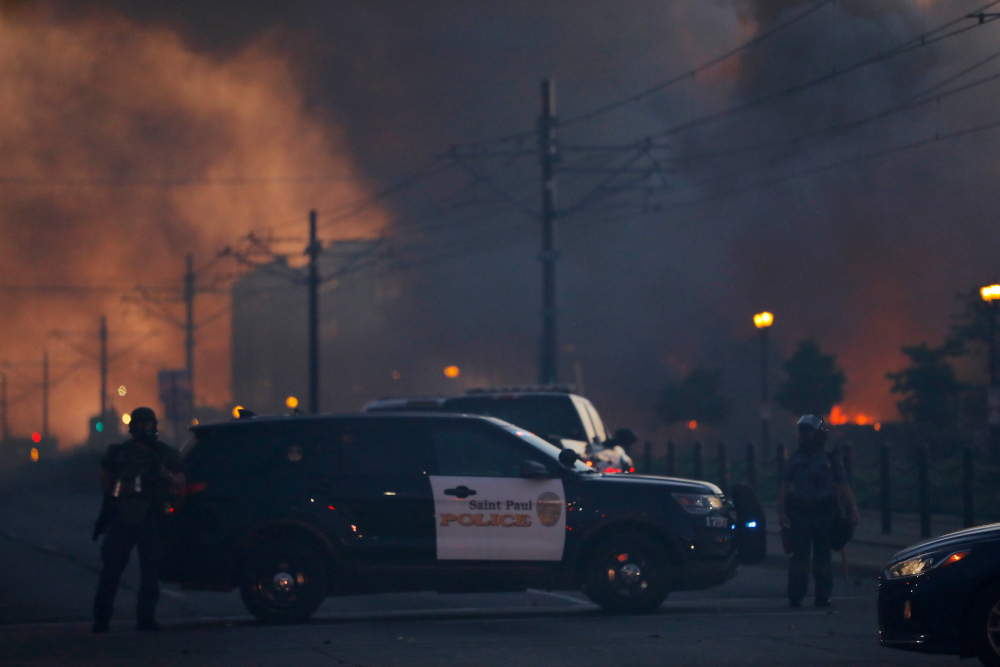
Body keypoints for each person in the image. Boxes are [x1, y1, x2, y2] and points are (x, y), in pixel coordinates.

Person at [92, 407, 184, 632]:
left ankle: (145, 618)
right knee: (111, 571)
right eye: (140, 425)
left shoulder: (164, 454)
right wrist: (117, 487)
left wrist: (166, 475)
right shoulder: (119, 453)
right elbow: (104, 476)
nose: (144, 430)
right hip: (122, 517)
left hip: (150, 517)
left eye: (148, 425)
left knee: (150, 573)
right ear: (132, 427)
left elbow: (180, 480)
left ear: (155, 427)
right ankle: (102, 619)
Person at [778, 414, 859, 608]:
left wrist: (853, 509)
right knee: (800, 556)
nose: (805, 436)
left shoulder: (831, 458)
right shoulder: (796, 458)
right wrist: (781, 512)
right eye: (803, 432)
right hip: (801, 513)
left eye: (809, 432)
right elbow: (784, 486)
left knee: (823, 556)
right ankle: (796, 595)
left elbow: (843, 485)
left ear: (820, 435)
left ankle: (823, 595)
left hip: (825, 513)